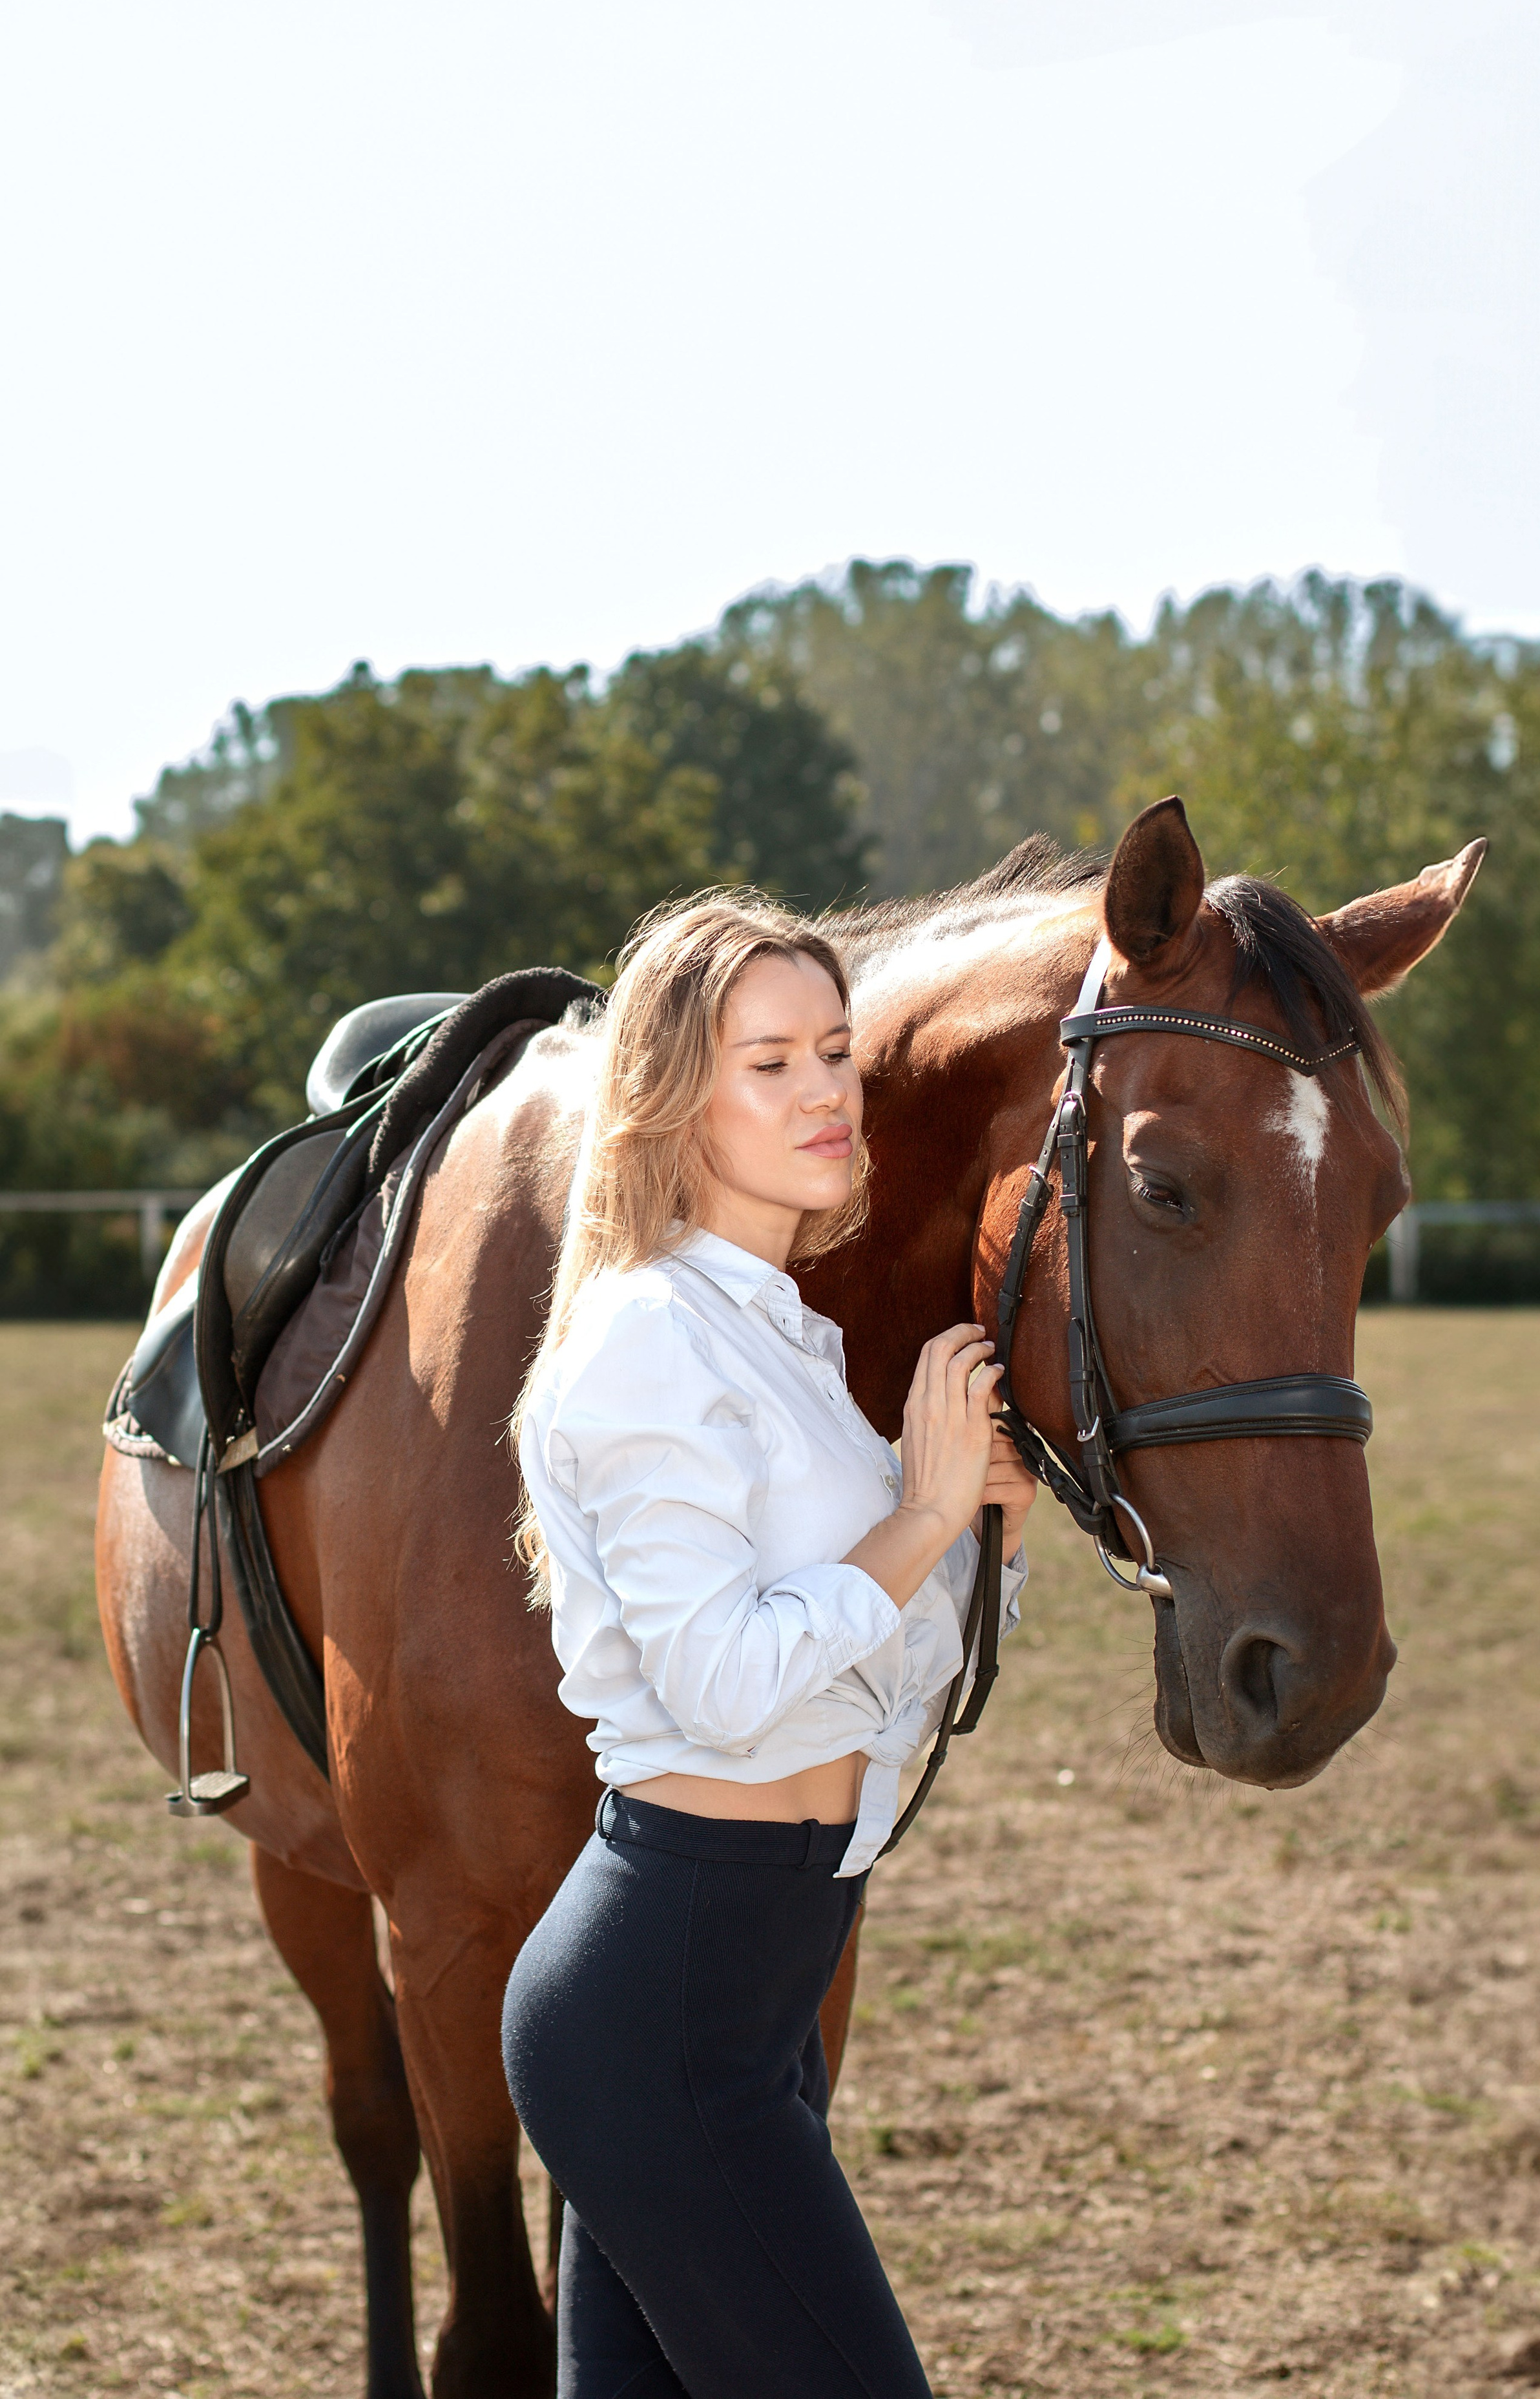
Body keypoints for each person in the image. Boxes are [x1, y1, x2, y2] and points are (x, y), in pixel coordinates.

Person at [504, 892, 1037, 2399]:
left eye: (835, 1053)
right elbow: (724, 1686)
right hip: (663, 2002)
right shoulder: (648, 1336)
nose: (824, 1095)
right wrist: (917, 1516)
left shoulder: (782, 1338)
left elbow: (884, 1683)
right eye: (770, 1063)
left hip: (747, 1992)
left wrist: (980, 1532)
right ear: (672, 1100)